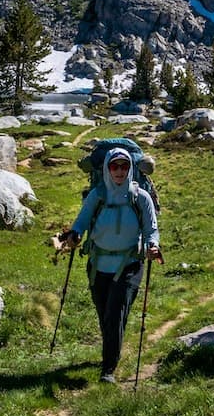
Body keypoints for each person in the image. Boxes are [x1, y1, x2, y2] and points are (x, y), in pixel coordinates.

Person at [60, 147, 160, 383]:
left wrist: (152, 246)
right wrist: (74, 235)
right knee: (106, 315)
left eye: (124, 166)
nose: (119, 171)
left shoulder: (140, 197)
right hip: (98, 266)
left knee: (115, 314)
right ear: (107, 168)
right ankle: (112, 350)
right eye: (114, 166)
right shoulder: (98, 195)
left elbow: (151, 229)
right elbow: (82, 221)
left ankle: (108, 370)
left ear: (130, 169)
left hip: (129, 266)